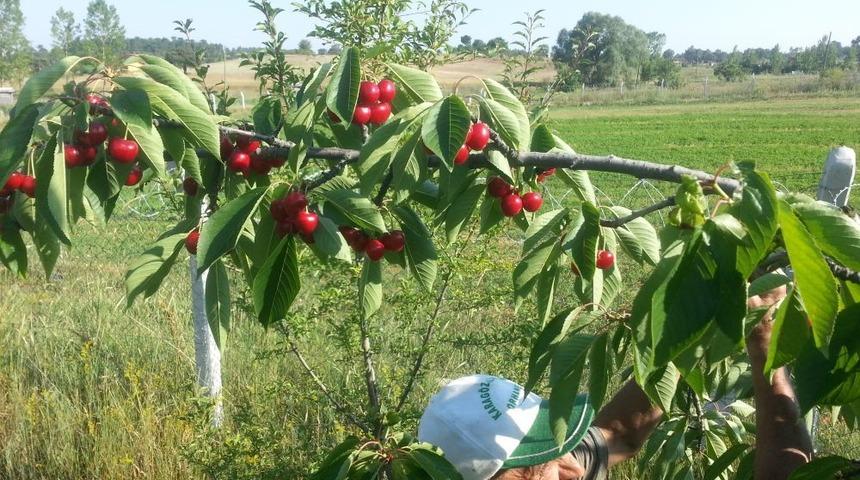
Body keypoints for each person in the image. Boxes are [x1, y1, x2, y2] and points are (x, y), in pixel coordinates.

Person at [417, 285, 813, 480]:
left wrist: (698, 325)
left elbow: (618, 434)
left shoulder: (559, 467)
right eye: (537, 463)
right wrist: (765, 350)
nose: (568, 463)